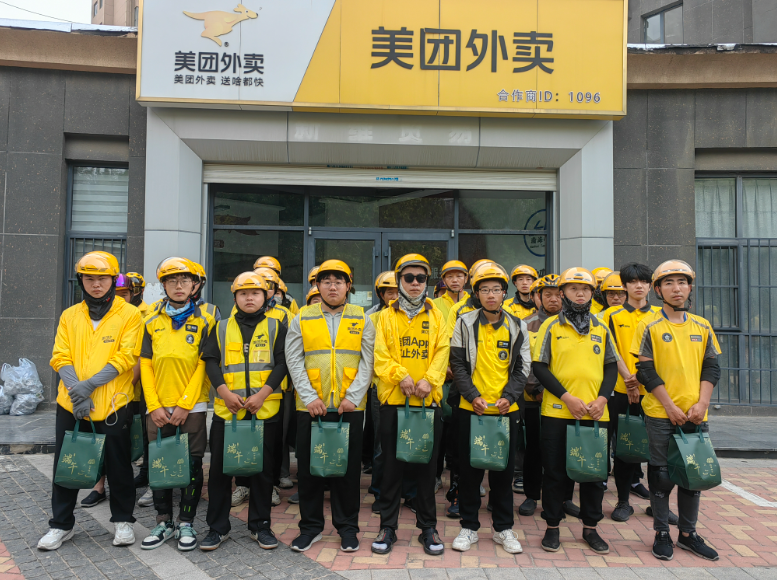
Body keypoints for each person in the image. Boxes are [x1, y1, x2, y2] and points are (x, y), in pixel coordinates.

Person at [40, 252, 142, 551]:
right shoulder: (70, 315)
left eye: (102, 278)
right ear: (81, 281)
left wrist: (88, 386)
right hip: (71, 403)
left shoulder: (129, 314)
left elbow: (126, 357)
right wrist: (77, 392)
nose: (96, 284)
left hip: (113, 404)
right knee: (67, 464)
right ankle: (61, 525)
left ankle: (123, 520)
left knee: (118, 465)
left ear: (113, 280)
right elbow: (60, 356)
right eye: (89, 279)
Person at [631, 260, 721, 562]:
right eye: (668, 283)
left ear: (690, 287)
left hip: (695, 414)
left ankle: (687, 534)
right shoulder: (648, 325)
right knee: (661, 475)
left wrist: (702, 404)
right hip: (660, 413)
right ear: (658, 290)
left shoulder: (702, 326)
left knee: (692, 474)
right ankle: (661, 533)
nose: (676, 288)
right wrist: (669, 406)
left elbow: (711, 367)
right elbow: (645, 371)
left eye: (682, 282)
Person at [285, 260, 375, 553]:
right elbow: (294, 359)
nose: (332, 286)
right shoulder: (302, 317)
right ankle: (310, 528)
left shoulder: (362, 318)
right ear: (317, 286)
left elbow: (368, 360)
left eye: (338, 281)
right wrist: (309, 396)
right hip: (311, 407)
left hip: (349, 407)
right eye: (326, 281)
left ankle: (348, 529)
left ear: (348, 286)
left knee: (347, 472)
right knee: (309, 471)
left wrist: (355, 396)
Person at [532, 267, 619, 555]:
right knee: (555, 473)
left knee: (594, 474)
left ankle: (591, 528)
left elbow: (611, 366)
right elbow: (539, 366)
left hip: (595, 414)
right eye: (573, 289)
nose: (579, 294)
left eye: (585, 289)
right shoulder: (551, 326)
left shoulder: (601, 327)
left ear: (592, 294)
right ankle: (552, 527)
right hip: (557, 412)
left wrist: (603, 399)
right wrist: (566, 397)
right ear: (562, 293)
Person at [199, 272, 288, 551]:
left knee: (263, 473)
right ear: (235, 297)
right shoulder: (220, 327)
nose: (249, 298)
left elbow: (283, 364)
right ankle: (217, 528)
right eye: (243, 293)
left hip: (264, 411)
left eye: (255, 293)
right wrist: (224, 393)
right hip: (228, 413)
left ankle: (260, 526)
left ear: (266, 296)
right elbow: (211, 362)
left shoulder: (276, 327)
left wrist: (262, 395)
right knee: (219, 472)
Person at [449, 263, 530, 554]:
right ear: (476, 293)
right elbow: (457, 363)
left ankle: (503, 528)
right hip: (472, 409)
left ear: (504, 292)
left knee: (503, 474)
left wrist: (510, 396)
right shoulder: (464, 322)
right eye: (485, 290)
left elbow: (523, 367)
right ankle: (468, 527)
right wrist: (472, 396)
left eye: (496, 289)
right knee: (469, 472)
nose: (491, 295)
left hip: (505, 410)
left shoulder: (517, 325)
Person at [372, 254, 449, 556]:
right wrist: (400, 376)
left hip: (427, 403)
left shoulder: (437, 316)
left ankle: (428, 528)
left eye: (421, 278)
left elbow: (442, 351)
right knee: (391, 468)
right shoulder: (384, 317)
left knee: (426, 470)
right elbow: (380, 354)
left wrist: (429, 380)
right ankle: (387, 527)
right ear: (399, 280)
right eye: (409, 278)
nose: (415, 283)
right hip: (394, 403)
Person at [138, 257, 213, 552]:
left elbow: (203, 365)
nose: (178, 286)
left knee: (192, 464)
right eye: (171, 281)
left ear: (194, 285)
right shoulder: (151, 321)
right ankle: (163, 522)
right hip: (157, 407)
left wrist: (184, 404)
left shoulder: (205, 320)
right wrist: (154, 405)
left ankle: (186, 522)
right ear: (163, 285)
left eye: (184, 280)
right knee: (160, 464)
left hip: (192, 407)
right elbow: (145, 365)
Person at [599, 264, 660, 523]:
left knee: (658, 450)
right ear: (624, 287)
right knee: (625, 447)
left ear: (651, 286)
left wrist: (643, 379)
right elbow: (610, 350)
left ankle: (658, 504)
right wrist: (629, 380)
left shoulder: (659, 315)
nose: (638, 286)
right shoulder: (610, 315)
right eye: (633, 282)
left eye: (643, 281)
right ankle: (623, 502)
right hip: (621, 390)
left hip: (655, 391)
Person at [517, 274, 579, 520]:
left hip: (567, 399)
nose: (554, 299)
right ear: (536, 297)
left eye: (558, 294)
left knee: (566, 449)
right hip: (534, 399)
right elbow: (524, 362)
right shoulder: (526, 324)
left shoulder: (575, 324)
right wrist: (536, 389)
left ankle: (565, 498)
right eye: (547, 295)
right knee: (534, 449)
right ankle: (532, 495)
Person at [80, 274, 144, 509]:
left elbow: (136, 358)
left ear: (134, 294)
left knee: (124, 447)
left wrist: (128, 384)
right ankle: (98, 486)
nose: (119, 298)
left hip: (129, 392)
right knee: (98, 442)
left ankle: (126, 493)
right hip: (99, 391)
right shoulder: (94, 315)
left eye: (124, 294)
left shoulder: (142, 314)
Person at [365, 272, 403, 509]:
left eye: (398, 291)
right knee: (382, 444)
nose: (395, 296)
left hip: (411, 388)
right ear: (381, 294)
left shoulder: (414, 316)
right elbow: (374, 355)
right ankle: (380, 492)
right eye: (390, 292)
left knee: (409, 441)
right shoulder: (372, 318)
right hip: (382, 388)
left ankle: (408, 492)